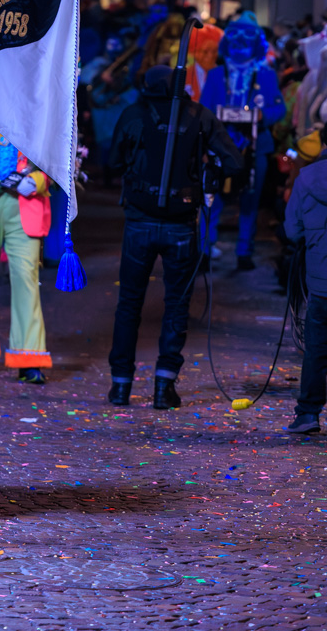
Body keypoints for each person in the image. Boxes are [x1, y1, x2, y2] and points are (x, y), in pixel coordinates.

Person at [108, 65, 244, 409]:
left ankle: (120, 385)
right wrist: (208, 173)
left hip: (139, 220)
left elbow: (111, 162)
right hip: (181, 223)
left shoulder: (133, 113)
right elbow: (235, 163)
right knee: (177, 304)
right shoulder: (199, 115)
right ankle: (163, 387)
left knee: (129, 304)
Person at [0, 130, 52, 384]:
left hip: (26, 200)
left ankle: (30, 357)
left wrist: (38, 180)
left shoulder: (37, 103)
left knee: (27, 278)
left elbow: (58, 155)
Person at [200, 12, 285, 269]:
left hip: (255, 148)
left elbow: (279, 109)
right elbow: (203, 109)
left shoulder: (267, 75)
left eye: (246, 39)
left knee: (250, 199)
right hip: (219, 148)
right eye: (234, 38)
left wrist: (261, 115)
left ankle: (244, 251)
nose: (240, 43)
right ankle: (205, 248)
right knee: (212, 198)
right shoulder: (215, 74)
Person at [285, 119, 327, 434]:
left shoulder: (306, 178)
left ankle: (308, 414)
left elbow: (292, 230)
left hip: (320, 282)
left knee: (316, 348)